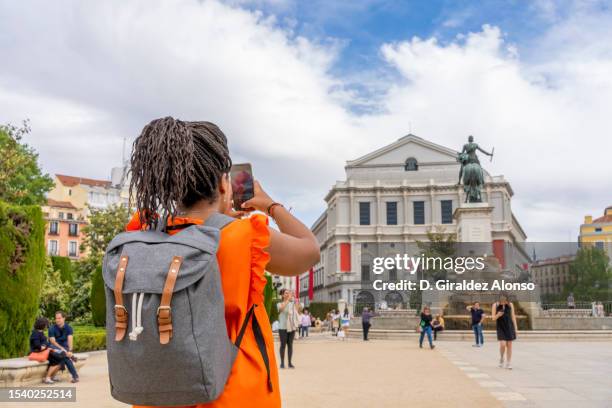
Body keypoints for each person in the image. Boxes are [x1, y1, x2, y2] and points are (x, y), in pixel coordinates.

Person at [126, 117, 320, 408]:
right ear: (222, 183)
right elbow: (309, 250)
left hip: (161, 397)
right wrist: (270, 205)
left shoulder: (143, 230)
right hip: (234, 395)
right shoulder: (243, 236)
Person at [30, 317, 66, 384]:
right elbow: (37, 346)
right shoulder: (35, 334)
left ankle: (53, 376)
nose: (47, 326)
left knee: (62, 357)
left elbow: (45, 344)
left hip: (45, 351)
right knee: (57, 359)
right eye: (46, 324)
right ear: (42, 325)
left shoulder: (41, 332)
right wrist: (46, 347)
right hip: (39, 352)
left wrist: (47, 347)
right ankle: (47, 378)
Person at [48, 311, 79, 383]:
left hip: (64, 348)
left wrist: (70, 351)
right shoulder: (51, 328)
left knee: (65, 356)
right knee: (65, 355)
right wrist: (63, 350)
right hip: (53, 348)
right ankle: (75, 376)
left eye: (59, 318)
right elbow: (53, 342)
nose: (57, 320)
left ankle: (75, 376)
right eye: (56, 318)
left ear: (64, 318)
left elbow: (70, 339)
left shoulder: (69, 328)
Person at [492, 294, 518, 369]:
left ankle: (509, 362)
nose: (503, 301)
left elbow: (513, 316)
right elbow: (493, 318)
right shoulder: (495, 305)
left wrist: (516, 328)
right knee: (503, 344)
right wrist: (498, 315)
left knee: (509, 345)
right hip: (500, 327)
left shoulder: (510, 304)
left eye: (504, 299)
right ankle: (501, 358)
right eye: (502, 300)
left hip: (509, 326)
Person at [277, 289, 299, 368]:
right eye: (286, 293)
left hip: (291, 327)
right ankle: (282, 363)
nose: (288, 294)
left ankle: (290, 363)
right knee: (283, 345)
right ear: (282, 295)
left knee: (290, 345)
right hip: (283, 327)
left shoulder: (291, 303)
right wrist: (288, 300)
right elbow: (281, 309)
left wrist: (296, 300)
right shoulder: (279, 304)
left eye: (288, 293)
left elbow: (297, 311)